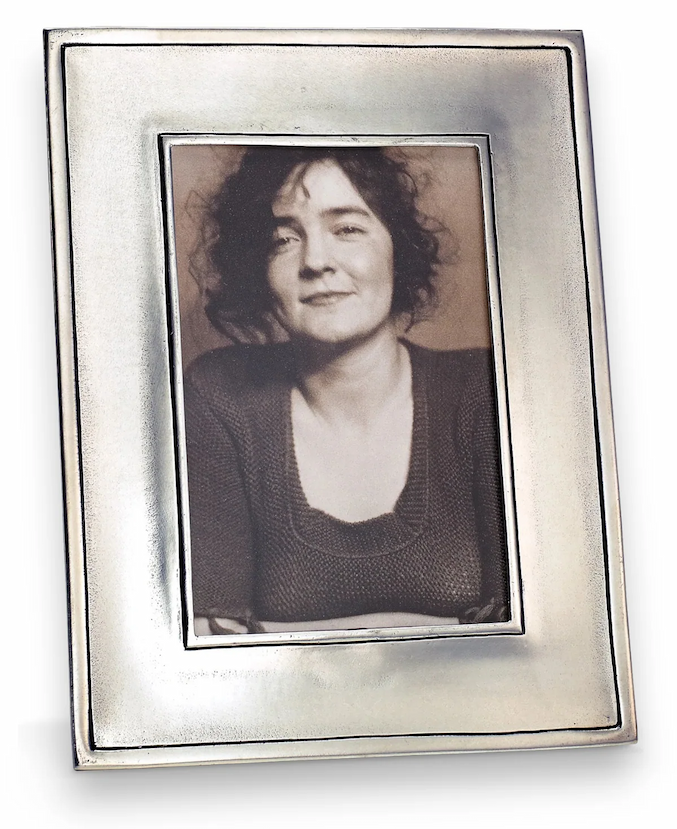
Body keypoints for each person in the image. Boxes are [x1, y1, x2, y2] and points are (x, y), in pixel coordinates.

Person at [183, 146, 509, 635]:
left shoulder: (484, 391)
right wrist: (449, 628)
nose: (315, 260)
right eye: (283, 239)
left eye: (348, 229)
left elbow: (542, 637)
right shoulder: (221, 396)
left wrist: (279, 634)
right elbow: (212, 649)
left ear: (398, 248)